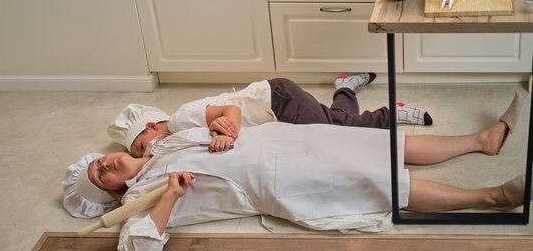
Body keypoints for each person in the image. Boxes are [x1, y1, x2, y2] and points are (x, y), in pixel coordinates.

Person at [62, 92, 523, 251]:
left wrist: (226, 126)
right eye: (101, 175)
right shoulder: (135, 205)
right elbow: (139, 247)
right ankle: (493, 198)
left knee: (379, 144)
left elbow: (227, 114)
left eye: (99, 160)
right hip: (275, 182)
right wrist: (168, 199)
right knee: (377, 182)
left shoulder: (168, 139)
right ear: (110, 191)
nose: (104, 164)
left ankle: (483, 140)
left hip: (282, 140)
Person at [107, 74, 434, 157]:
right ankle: (345, 88)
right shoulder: (176, 137)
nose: (147, 153)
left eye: (141, 146)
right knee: (334, 123)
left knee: (340, 129)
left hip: (276, 100)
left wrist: (225, 131)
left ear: (151, 126)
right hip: (275, 110)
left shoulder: (178, 120)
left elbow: (231, 109)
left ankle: (389, 115)